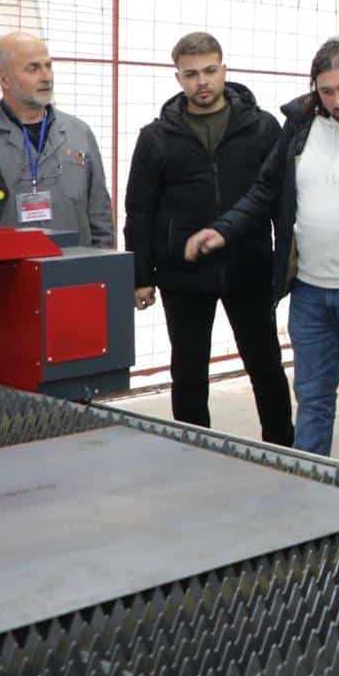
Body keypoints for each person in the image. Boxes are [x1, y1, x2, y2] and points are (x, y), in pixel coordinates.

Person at [186, 36, 339, 470]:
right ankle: (306, 488)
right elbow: (266, 188)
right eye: (327, 91)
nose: (338, 101)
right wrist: (223, 229)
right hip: (309, 293)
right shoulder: (303, 123)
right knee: (312, 400)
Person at [122, 33, 291, 441]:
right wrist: (141, 276)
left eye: (210, 71)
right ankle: (192, 449)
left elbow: (281, 201)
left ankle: (284, 448)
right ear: (178, 77)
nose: (202, 81)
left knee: (265, 365)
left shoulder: (263, 128)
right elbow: (139, 210)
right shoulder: (156, 137)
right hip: (183, 271)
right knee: (188, 370)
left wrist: (283, 265)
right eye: (191, 74)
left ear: (224, 70)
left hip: (249, 266)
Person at [0, 31, 113, 247]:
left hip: (74, 266)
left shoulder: (79, 133)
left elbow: (101, 219)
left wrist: (105, 263)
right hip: (6, 267)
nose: (46, 76)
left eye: (48, 66)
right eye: (33, 68)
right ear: (3, 79)